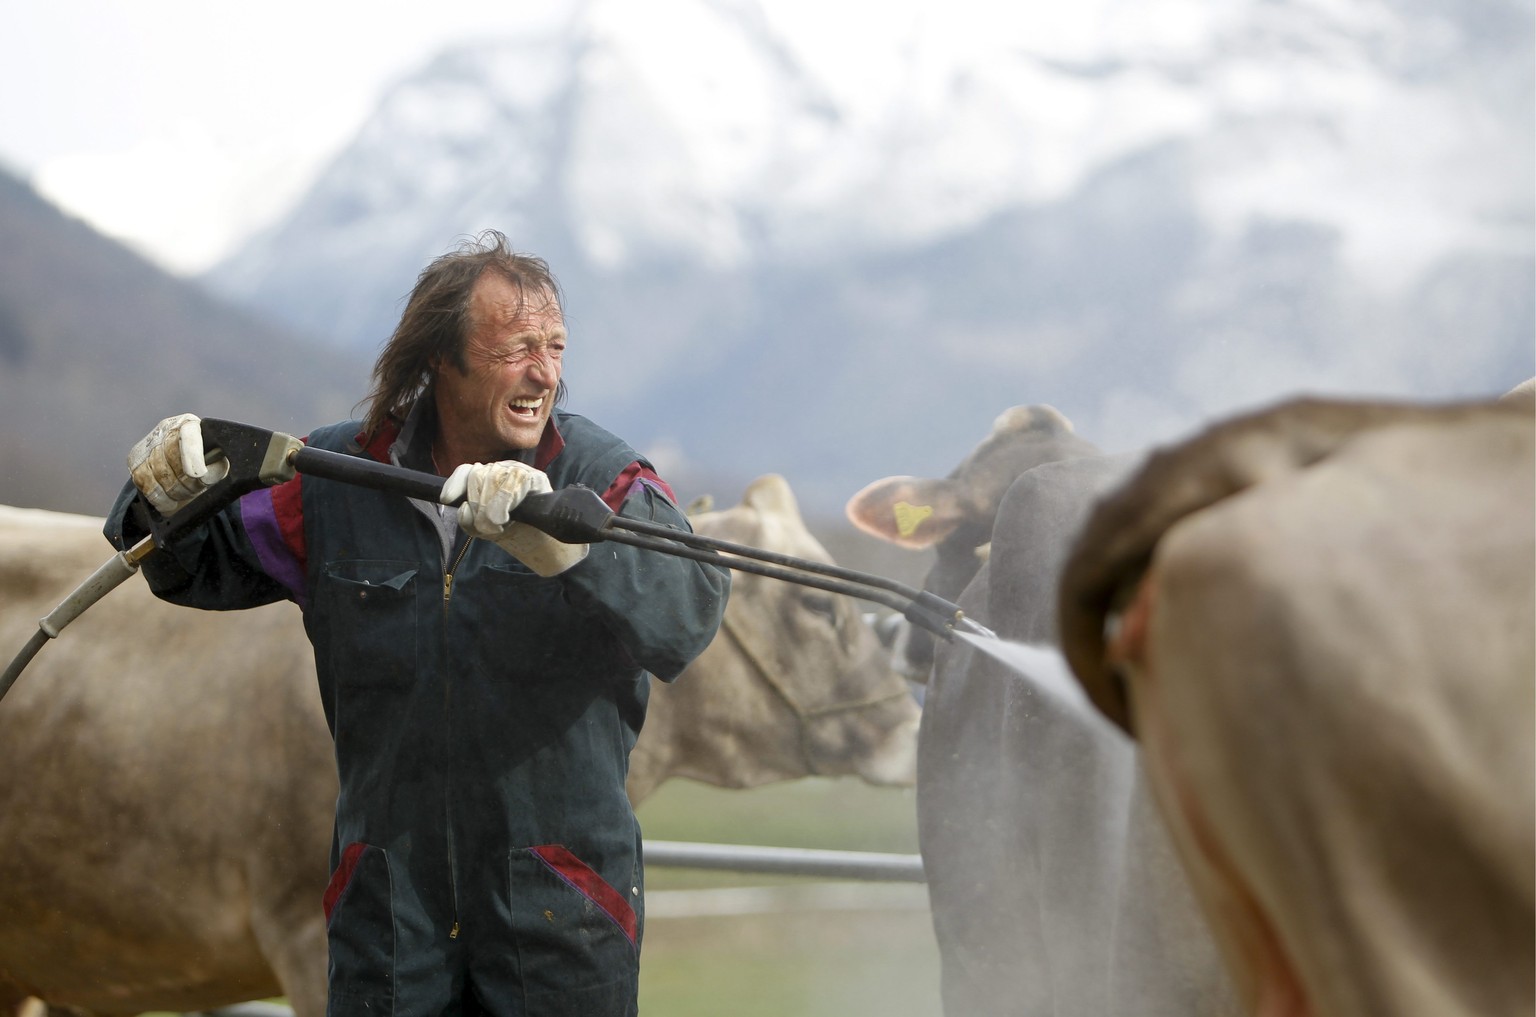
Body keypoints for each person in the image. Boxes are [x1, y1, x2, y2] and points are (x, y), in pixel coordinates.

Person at [105, 231, 731, 1017]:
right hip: (389, 921)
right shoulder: (337, 479)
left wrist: (573, 553)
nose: (544, 373)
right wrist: (160, 493)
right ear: (440, 357)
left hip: (562, 916)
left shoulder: (600, 478)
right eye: (517, 348)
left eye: (555, 347)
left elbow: (692, 607)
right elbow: (191, 562)